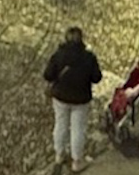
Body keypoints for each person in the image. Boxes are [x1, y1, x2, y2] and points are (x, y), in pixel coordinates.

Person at [43, 26, 103, 173]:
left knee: (60, 125)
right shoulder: (89, 57)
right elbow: (97, 78)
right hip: (81, 100)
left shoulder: (59, 54)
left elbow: (48, 75)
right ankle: (76, 161)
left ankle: (59, 155)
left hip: (61, 98)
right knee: (78, 129)